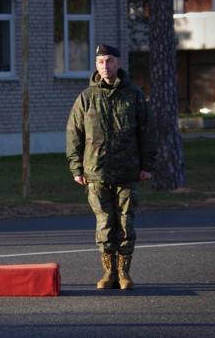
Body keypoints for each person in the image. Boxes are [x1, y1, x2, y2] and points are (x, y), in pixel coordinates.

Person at [66, 44, 157, 290]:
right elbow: (74, 134)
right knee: (105, 224)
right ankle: (108, 272)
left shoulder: (135, 95)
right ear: (96, 66)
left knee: (126, 223)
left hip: (128, 171)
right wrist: (76, 168)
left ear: (118, 63)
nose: (105, 66)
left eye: (109, 61)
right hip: (96, 172)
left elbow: (147, 132)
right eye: (100, 62)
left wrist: (147, 165)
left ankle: (124, 272)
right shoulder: (86, 97)